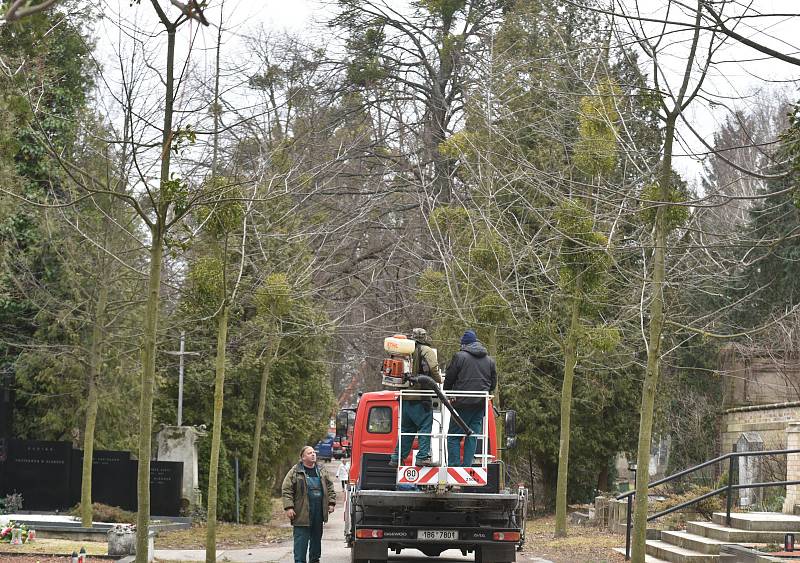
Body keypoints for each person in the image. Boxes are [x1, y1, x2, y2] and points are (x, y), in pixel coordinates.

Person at [389, 328, 442, 467]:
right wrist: (439, 380)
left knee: (407, 430)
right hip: (420, 397)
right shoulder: (426, 350)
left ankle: (397, 457)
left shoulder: (403, 351)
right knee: (425, 426)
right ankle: (423, 457)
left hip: (404, 397)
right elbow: (433, 368)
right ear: (424, 337)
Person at [444, 329, 497, 467]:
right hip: (480, 405)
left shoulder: (459, 357)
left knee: (454, 436)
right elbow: (493, 383)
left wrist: (448, 393)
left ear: (464, 344)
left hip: (461, 404)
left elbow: (449, 378)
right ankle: (467, 467)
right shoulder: (490, 361)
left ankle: (454, 468)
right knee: (472, 435)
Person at [281, 445, 336, 563]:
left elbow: (330, 486)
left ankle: (315, 560)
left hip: (318, 512)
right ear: (302, 457)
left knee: (316, 540)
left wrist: (331, 503)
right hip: (301, 512)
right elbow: (287, 489)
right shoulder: (295, 471)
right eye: (309, 453)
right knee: (301, 541)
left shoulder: (321, 470)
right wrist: (289, 507)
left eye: (314, 452)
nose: (313, 454)